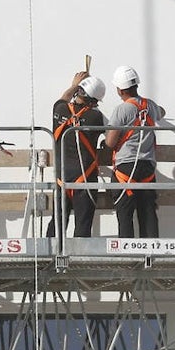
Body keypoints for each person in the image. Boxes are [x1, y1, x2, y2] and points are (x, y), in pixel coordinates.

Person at [103, 65, 166, 238]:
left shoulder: (122, 110)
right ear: (136, 85)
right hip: (147, 167)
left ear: (119, 89)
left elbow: (110, 142)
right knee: (148, 212)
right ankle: (151, 252)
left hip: (126, 167)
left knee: (125, 214)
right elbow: (162, 112)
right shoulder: (150, 106)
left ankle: (127, 254)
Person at [46, 71, 106, 240]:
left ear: (79, 91)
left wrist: (74, 84)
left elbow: (64, 98)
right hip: (84, 179)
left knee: (57, 220)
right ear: (94, 101)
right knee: (83, 223)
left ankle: (50, 255)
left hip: (62, 178)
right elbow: (110, 138)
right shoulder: (95, 117)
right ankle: (79, 258)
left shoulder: (59, 109)